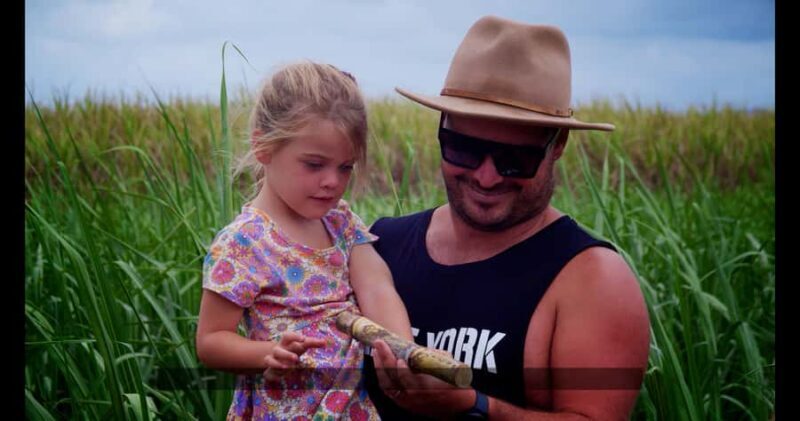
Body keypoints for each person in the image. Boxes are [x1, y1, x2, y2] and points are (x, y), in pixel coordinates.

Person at [363, 15, 651, 420]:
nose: (486, 176)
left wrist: (474, 406)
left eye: (515, 159)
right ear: (441, 129)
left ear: (558, 146)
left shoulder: (592, 279)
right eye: (463, 148)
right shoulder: (380, 245)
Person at [195, 61, 413, 420]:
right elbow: (211, 341)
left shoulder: (341, 222)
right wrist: (266, 353)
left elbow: (376, 288)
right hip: (285, 409)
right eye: (315, 165)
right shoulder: (244, 243)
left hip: (350, 408)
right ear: (263, 147)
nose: (333, 181)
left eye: (346, 167)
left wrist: (402, 350)